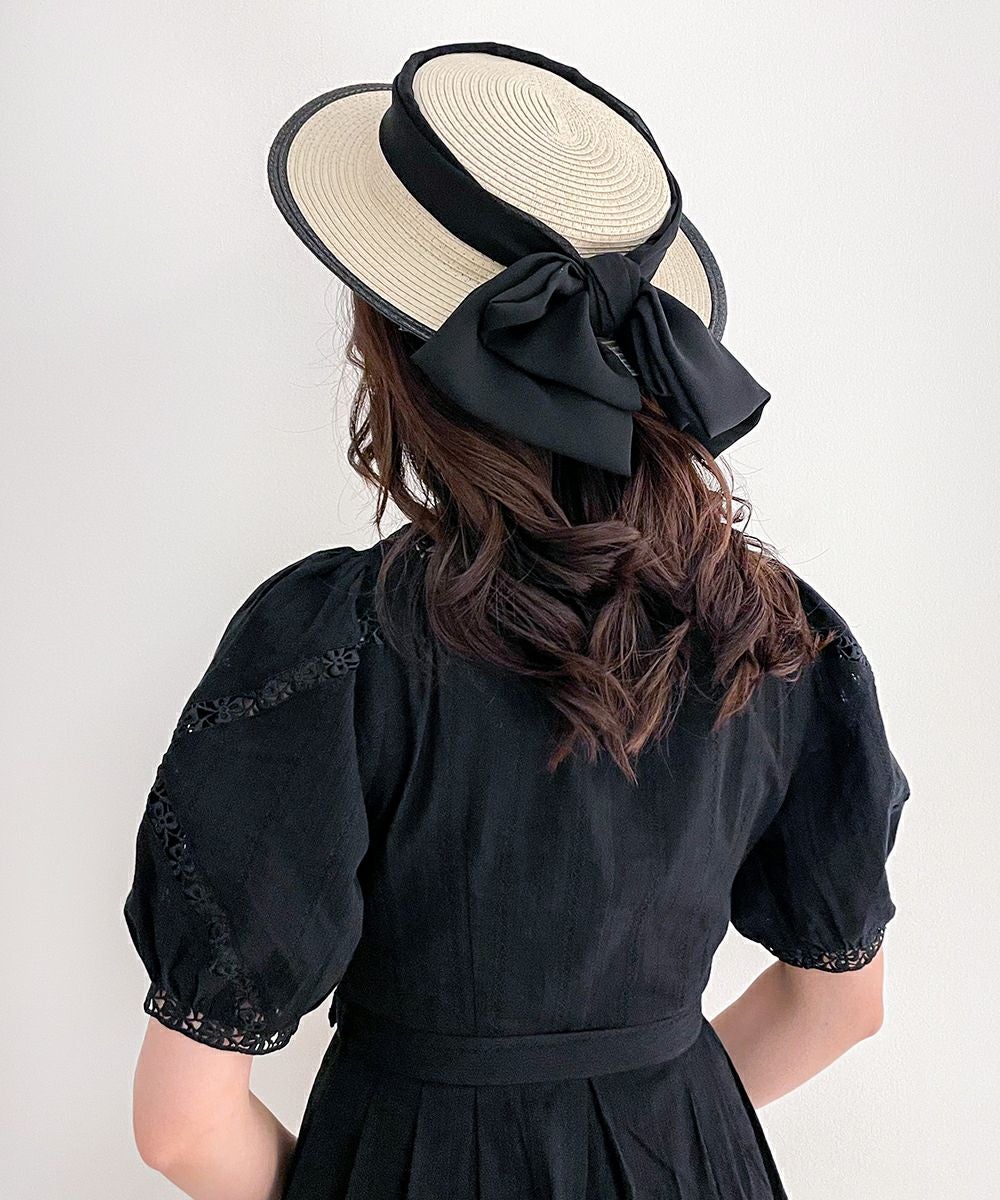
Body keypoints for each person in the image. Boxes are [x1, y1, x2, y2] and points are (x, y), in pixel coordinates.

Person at [123, 41, 910, 1200]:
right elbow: (838, 1002)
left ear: (399, 346)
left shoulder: (339, 643)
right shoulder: (769, 630)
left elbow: (183, 1129)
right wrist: (637, 1131)